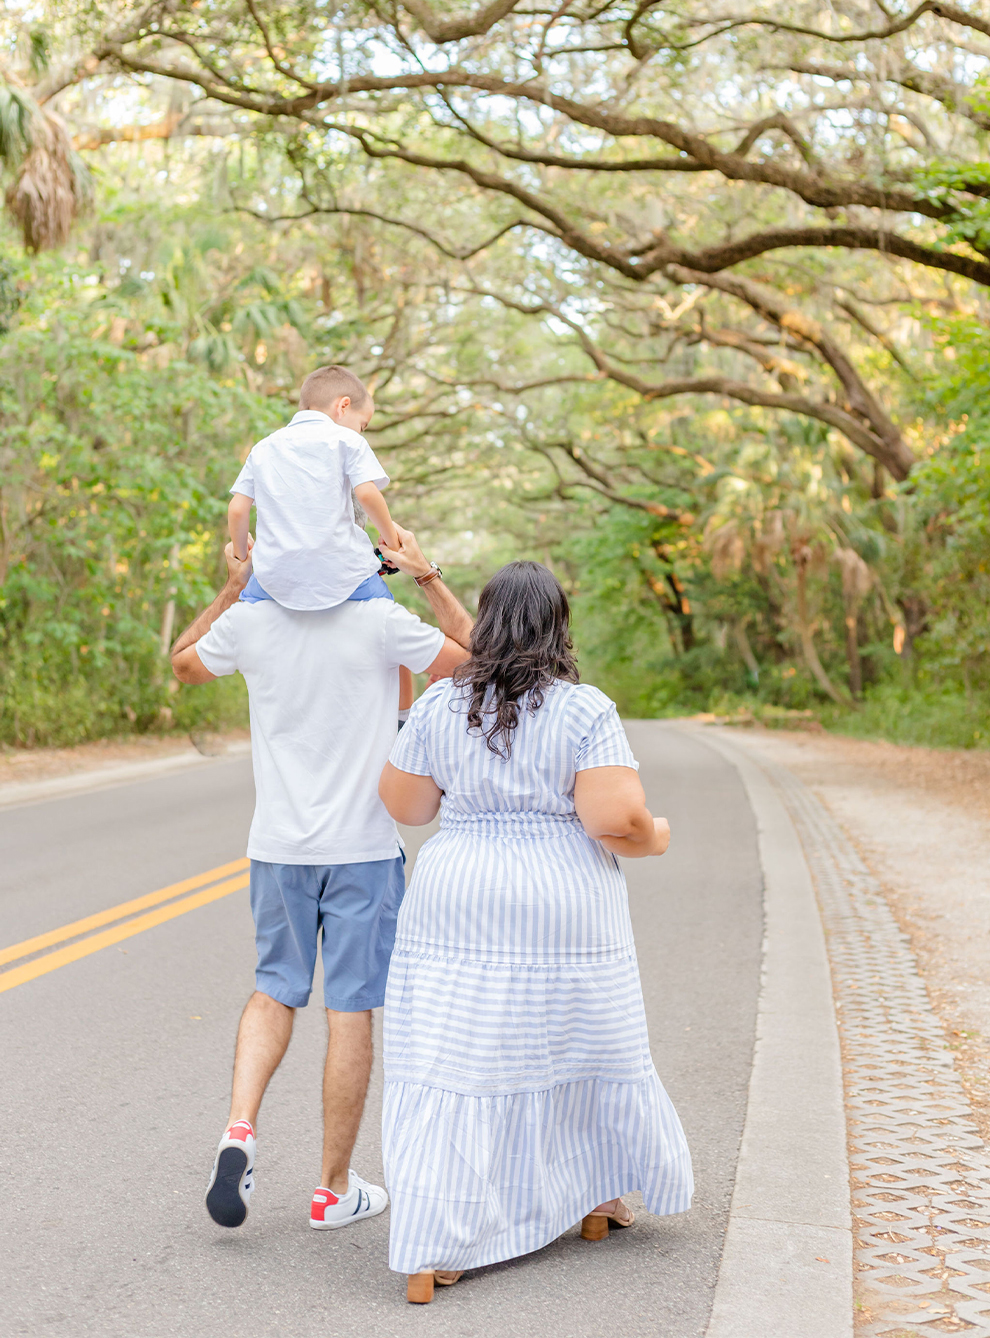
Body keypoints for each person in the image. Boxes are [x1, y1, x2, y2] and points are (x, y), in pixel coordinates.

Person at [378, 561, 693, 1303]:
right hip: (562, 899)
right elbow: (615, 821)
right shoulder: (584, 709)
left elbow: (405, 806)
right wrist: (661, 836)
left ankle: (436, 1246)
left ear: (484, 626)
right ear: (559, 626)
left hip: (455, 897)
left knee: (458, 1059)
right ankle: (596, 1197)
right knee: (582, 1039)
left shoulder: (440, 705)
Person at [169, 525, 472, 1233]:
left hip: (278, 847)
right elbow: (474, 660)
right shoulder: (379, 621)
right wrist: (424, 574)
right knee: (350, 1010)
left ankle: (239, 1130)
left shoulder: (252, 622)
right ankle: (333, 1189)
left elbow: (182, 664)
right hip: (363, 850)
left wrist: (235, 586)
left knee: (275, 990)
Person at [227, 364, 400, 611]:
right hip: (345, 578)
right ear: (343, 406)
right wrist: (392, 545)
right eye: (362, 425)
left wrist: (242, 557)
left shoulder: (263, 448)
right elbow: (367, 494)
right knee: (386, 609)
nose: (360, 433)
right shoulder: (349, 441)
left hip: (273, 580)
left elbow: (236, 510)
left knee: (246, 607)